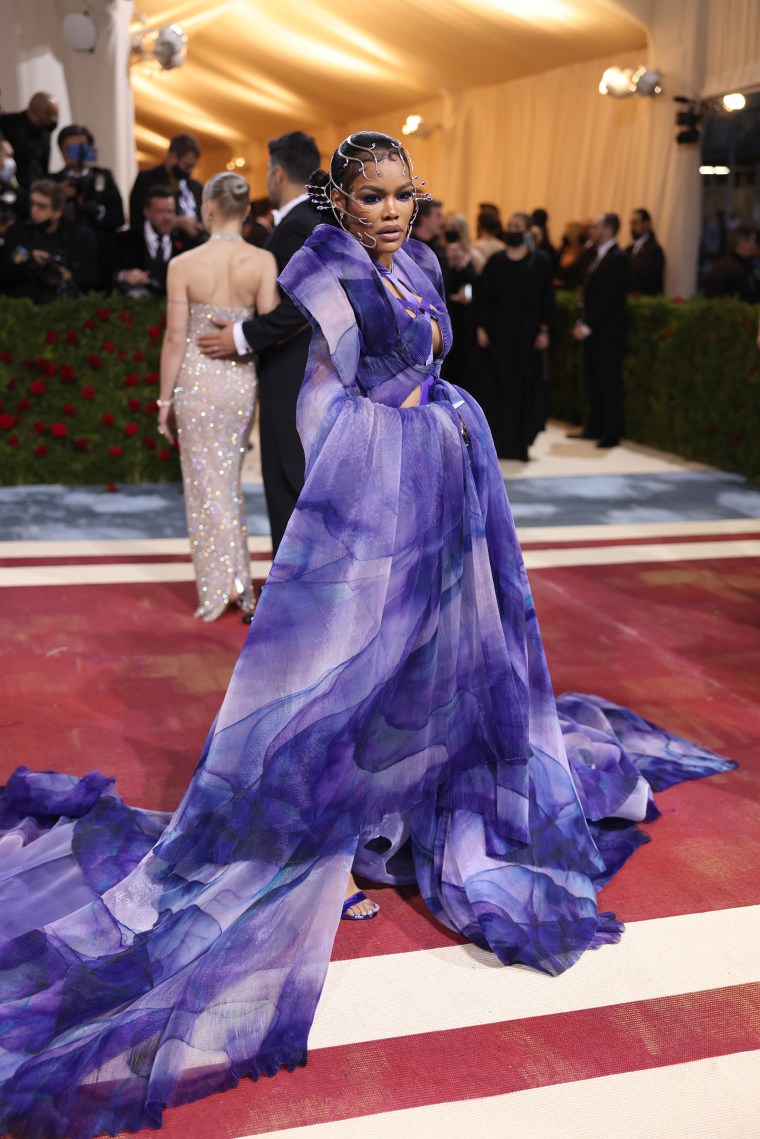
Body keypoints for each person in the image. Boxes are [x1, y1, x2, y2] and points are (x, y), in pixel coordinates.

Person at [0, 133, 736, 1139]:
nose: (392, 211)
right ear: (338, 196)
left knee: (437, 662)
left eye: (404, 195)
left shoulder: (425, 262)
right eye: (373, 195)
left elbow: (434, 358)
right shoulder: (316, 268)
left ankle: (404, 806)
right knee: (355, 670)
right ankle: (337, 830)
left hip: (444, 495)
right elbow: (320, 405)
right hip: (373, 506)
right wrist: (421, 428)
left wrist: (446, 421)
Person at [157, 173, 278, 622]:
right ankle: (237, 582)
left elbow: (174, 338)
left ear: (208, 207)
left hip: (196, 378)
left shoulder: (182, 265)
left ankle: (221, 585)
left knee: (206, 484)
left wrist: (164, 401)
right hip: (239, 381)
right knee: (226, 482)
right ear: (245, 210)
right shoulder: (263, 261)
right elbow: (267, 329)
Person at [195, 130, 321, 557]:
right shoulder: (308, 219)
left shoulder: (298, 226)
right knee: (292, 477)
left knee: (289, 477)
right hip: (298, 367)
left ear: (278, 172)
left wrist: (238, 335)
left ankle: (295, 585)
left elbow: (301, 306)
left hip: (292, 369)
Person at [474, 210, 555, 460]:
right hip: (498, 335)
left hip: (526, 336)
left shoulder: (538, 262)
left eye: (517, 225)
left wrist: (545, 329)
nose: (512, 229)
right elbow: (483, 296)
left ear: (527, 231)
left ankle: (519, 445)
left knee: (522, 387)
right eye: (510, 224)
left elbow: (546, 299)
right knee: (494, 388)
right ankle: (494, 443)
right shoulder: (496, 262)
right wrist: (480, 327)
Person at [569, 211, 629, 448]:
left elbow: (610, 298)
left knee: (608, 381)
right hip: (592, 329)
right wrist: (579, 320)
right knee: (592, 379)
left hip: (607, 332)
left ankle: (611, 431)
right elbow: (586, 293)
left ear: (608, 229)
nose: (591, 231)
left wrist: (589, 324)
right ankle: (593, 426)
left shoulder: (619, 258)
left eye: (596, 226)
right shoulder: (594, 255)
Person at [0, 177, 98, 302]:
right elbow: (5, 275)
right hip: (25, 302)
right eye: (32, 204)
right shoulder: (17, 233)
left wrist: (70, 275)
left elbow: (94, 277)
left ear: (57, 212)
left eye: (41, 206)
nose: (34, 211)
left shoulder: (80, 235)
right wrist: (28, 262)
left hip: (66, 304)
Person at [51, 123, 125, 289]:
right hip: (65, 256)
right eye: (71, 149)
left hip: (100, 259)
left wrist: (96, 209)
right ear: (62, 152)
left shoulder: (103, 177)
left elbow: (119, 217)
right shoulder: (53, 182)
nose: (78, 153)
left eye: (82, 147)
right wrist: (58, 196)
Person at [112, 184, 188, 298]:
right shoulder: (126, 239)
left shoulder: (186, 241)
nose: (167, 218)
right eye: (161, 212)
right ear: (147, 212)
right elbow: (107, 273)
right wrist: (123, 275)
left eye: (171, 211)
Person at [129, 133, 204, 245]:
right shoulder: (147, 179)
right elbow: (136, 220)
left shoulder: (196, 186)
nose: (190, 171)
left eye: (193, 167)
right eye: (187, 166)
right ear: (173, 156)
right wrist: (175, 221)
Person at [0, 92, 59, 191]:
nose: (54, 119)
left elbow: (44, 164)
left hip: (36, 188)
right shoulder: (8, 123)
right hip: (11, 189)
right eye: (53, 114)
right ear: (43, 112)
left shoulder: (45, 132)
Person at [704, 224, 759, 302]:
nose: (755, 246)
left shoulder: (722, 263)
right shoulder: (738, 269)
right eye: (753, 241)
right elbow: (746, 299)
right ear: (743, 243)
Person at [626, 208, 665, 295]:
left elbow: (652, 280)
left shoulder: (654, 250)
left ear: (647, 224)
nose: (632, 227)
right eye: (631, 223)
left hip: (644, 301)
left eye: (636, 223)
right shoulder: (628, 249)